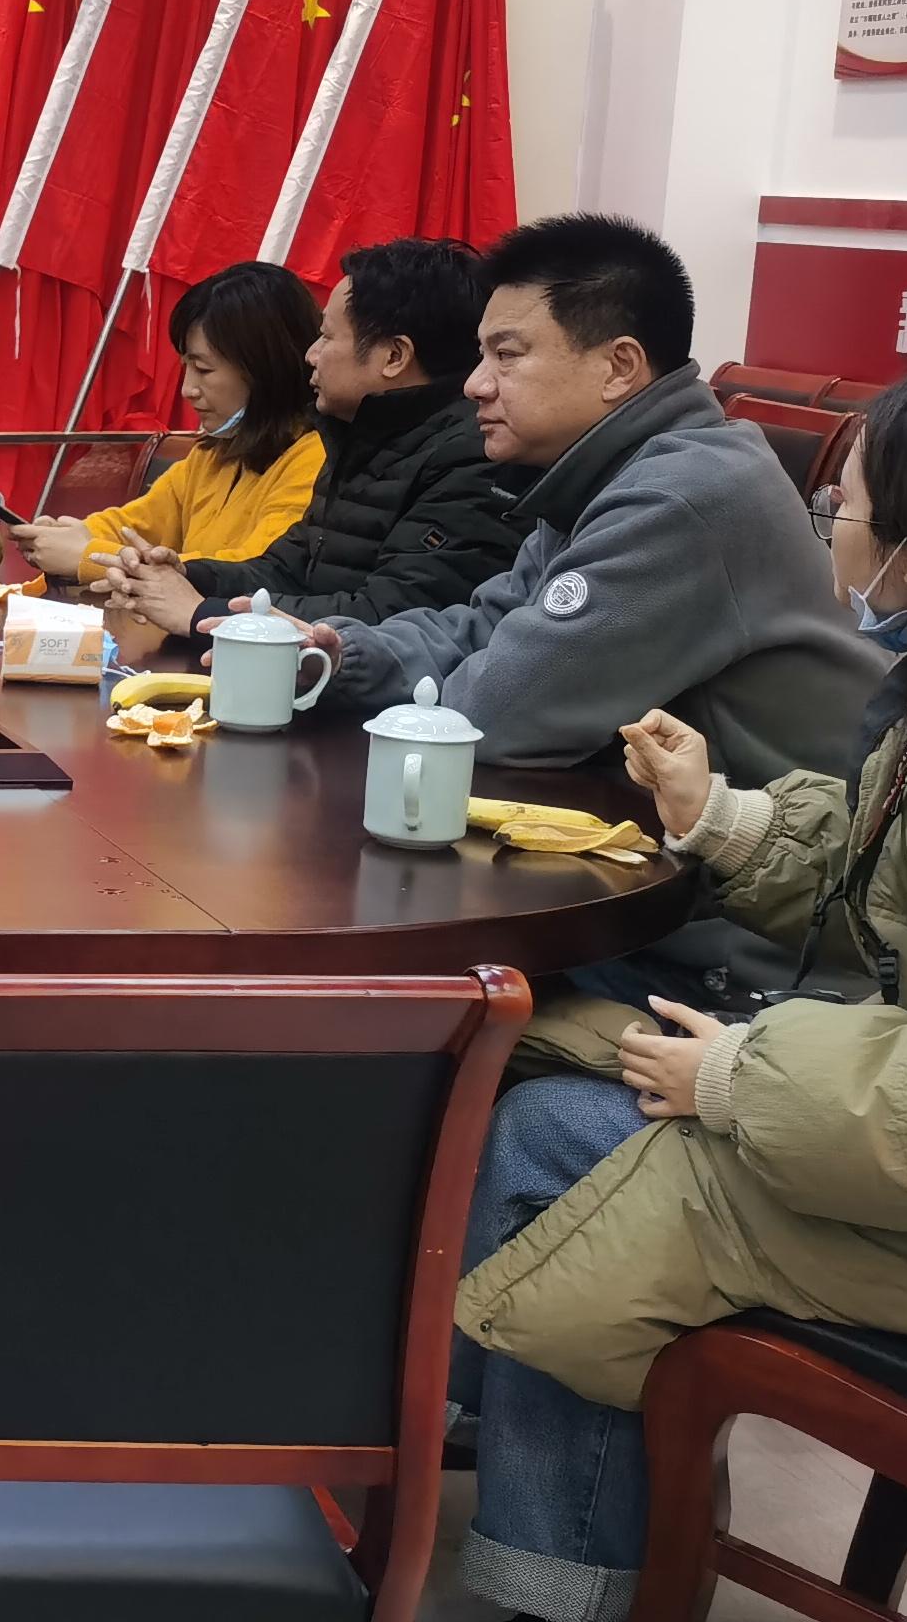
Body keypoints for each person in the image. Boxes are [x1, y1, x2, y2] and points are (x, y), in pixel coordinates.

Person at [410, 370, 907, 1622]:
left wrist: (745, 1082)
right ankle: (465, 1439)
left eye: (845, 509)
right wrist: (722, 819)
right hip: (877, 1110)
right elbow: (882, 891)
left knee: (565, 1143)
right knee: (525, 1051)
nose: (830, 531)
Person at [301, 215, 877, 1022]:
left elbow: (498, 716)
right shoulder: (604, 472)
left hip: (750, 963)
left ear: (619, 367)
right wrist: (338, 655)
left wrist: (387, 687)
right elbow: (484, 626)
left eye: (507, 355)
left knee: (374, 1012)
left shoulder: (681, 497)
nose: (474, 384)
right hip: (654, 903)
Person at [100, 238, 518, 636]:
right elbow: (285, 570)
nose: (311, 354)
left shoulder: (474, 459)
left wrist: (201, 613)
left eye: (328, 336)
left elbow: (389, 618)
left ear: (394, 356)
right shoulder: (359, 438)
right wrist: (185, 575)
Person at [19, 261, 325, 581]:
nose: (187, 389)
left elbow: (253, 569)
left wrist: (88, 556)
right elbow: (139, 523)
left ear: (265, 367)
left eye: (203, 370)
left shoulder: (314, 459)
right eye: (185, 367)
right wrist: (76, 534)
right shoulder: (214, 452)